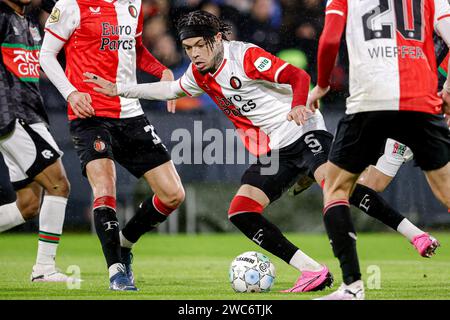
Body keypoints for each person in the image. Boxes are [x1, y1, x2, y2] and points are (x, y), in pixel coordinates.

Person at [85, 10, 442, 294]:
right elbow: (171, 90)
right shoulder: (200, 73)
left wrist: (300, 106)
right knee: (241, 211)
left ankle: (416, 234)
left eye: (198, 46)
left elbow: (299, 78)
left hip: (304, 131)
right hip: (279, 148)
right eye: (188, 47)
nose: (193, 54)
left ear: (215, 40)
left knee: (339, 190)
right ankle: (312, 271)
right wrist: (119, 90)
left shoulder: (246, 57)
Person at [306, 0, 450, 299]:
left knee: (335, 189)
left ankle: (352, 287)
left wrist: (321, 84)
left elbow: (330, 39)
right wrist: (447, 89)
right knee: (447, 191)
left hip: (368, 102)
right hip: (421, 102)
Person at [39, 0, 185, 291]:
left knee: (172, 195)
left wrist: (162, 72)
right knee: (105, 187)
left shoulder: (134, 5)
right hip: (89, 113)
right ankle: (116, 270)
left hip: (131, 113)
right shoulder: (72, 5)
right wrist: (70, 94)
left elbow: (133, 49)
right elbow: (46, 55)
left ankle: (124, 244)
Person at [0, 0, 74, 282]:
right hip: (12, 115)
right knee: (58, 184)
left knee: (28, 204)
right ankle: (44, 269)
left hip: (30, 113)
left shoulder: (29, 21)